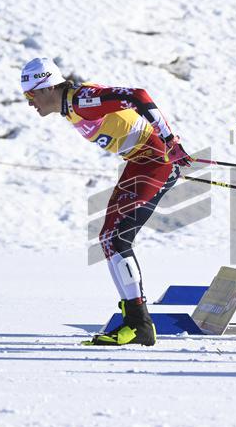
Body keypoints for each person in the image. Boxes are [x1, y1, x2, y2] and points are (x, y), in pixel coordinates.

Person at [19, 57, 190, 346]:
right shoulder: (71, 106)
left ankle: (139, 325)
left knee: (115, 238)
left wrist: (171, 142)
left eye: (30, 94)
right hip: (141, 163)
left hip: (156, 162)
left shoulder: (83, 101)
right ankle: (137, 322)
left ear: (48, 87)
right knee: (110, 238)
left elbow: (138, 96)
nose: (29, 102)